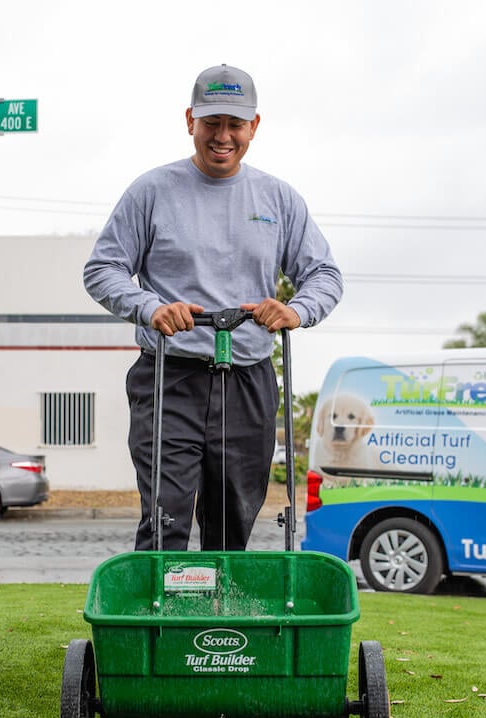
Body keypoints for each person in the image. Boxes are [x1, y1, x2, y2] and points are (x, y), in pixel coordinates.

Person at [83, 64, 343, 551]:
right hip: (170, 377)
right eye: (212, 122)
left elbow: (325, 275)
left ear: (254, 127)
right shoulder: (151, 192)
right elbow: (102, 269)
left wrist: (296, 310)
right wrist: (150, 307)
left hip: (248, 379)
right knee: (166, 515)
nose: (223, 136)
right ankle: (159, 625)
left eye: (235, 124)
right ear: (190, 121)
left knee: (232, 524)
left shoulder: (278, 199)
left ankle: (221, 627)